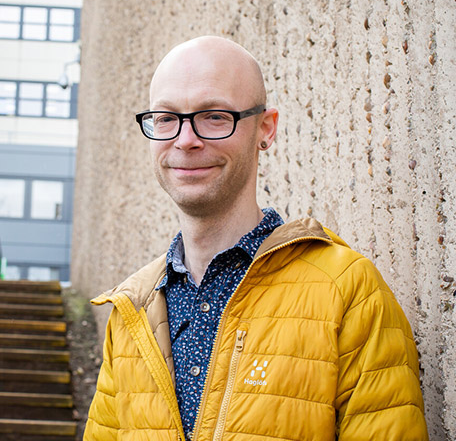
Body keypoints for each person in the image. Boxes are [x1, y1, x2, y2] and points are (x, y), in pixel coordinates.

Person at [83, 36, 428, 441]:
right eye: (165, 118)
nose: (185, 139)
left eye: (214, 116)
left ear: (265, 129)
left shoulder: (347, 290)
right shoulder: (131, 310)